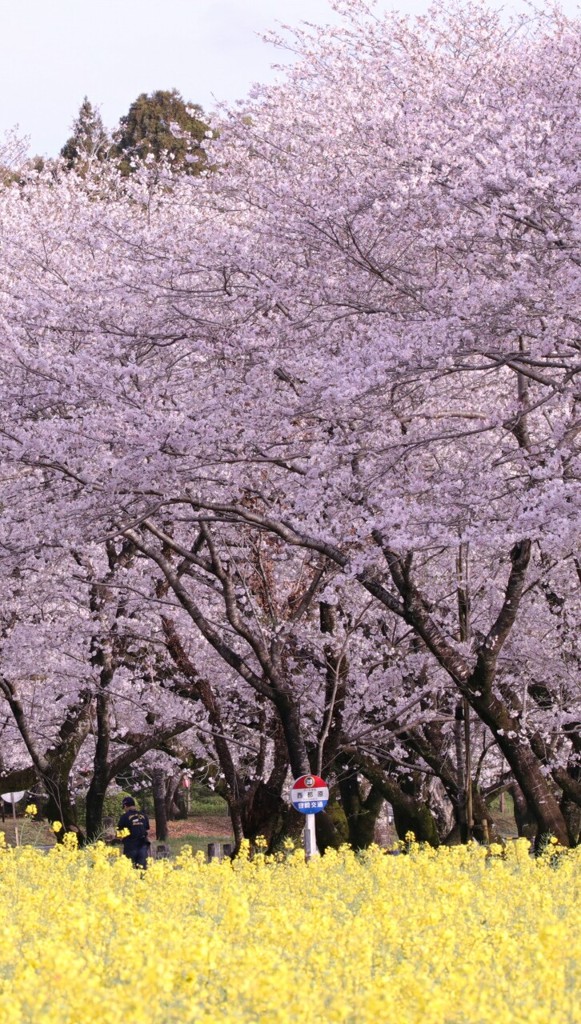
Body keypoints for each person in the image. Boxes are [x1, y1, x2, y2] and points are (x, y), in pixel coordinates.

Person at [117, 796, 150, 868]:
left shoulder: (124, 817)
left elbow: (119, 835)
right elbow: (147, 830)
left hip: (130, 847)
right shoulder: (144, 815)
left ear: (125, 806)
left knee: (129, 870)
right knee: (142, 871)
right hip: (143, 846)